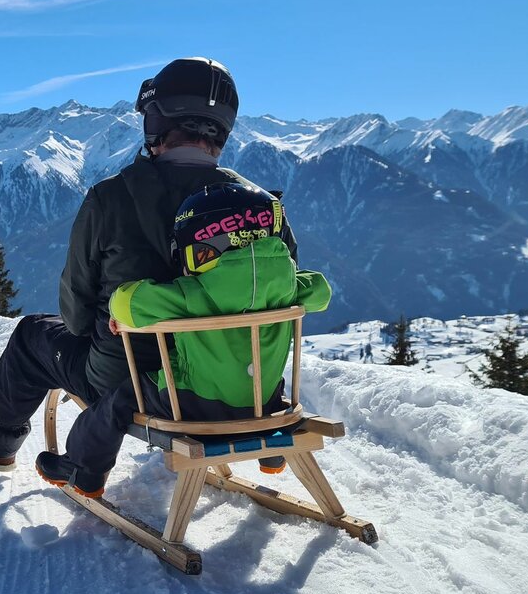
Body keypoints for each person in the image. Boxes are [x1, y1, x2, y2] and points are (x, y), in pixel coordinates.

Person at [0, 57, 298, 475]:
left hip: (132, 384)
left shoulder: (111, 199)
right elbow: (280, 291)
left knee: (32, 334)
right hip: (238, 386)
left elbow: (75, 315)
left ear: (156, 122)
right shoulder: (261, 208)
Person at [34, 182, 332, 497]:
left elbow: (125, 302)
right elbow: (321, 290)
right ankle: (271, 454)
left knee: (117, 402)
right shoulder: (289, 286)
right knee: (263, 378)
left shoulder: (193, 293)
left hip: (193, 407)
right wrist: (287, 280)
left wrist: (127, 309)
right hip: (264, 404)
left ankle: (84, 471)